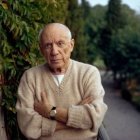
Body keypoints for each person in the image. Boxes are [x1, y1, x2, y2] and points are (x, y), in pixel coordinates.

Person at [16, 23, 108, 140]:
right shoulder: (30, 77)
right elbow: (28, 125)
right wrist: (75, 117)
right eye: (48, 45)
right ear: (41, 49)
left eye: (60, 44)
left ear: (71, 45)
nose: (54, 51)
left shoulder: (88, 73)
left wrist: (50, 111)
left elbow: (94, 117)